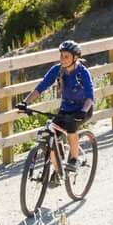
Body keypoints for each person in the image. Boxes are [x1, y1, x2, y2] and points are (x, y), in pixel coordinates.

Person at [26, 40, 94, 178]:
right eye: (61, 56)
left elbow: (90, 97)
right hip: (65, 109)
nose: (63, 59)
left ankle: (74, 159)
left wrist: (82, 111)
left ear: (75, 58)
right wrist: (25, 102)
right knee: (48, 134)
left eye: (66, 56)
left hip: (83, 109)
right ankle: (57, 171)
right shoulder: (57, 70)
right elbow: (41, 87)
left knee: (71, 126)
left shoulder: (82, 73)